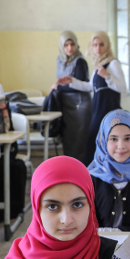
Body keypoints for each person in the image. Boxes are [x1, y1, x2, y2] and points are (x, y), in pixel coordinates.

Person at [59, 31, 127, 165]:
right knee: (94, 145)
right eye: (95, 45)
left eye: (101, 44)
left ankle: (96, 180)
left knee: (99, 146)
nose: (98, 48)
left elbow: (123, 88)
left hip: (110, 114)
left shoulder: (113, 64)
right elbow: (91, 87)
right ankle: (92, 180)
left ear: (107, 45)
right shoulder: (98, 68)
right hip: (97, 113)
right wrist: (71, 81)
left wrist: (107, 76)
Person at [88, 109, 130, 231]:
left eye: (127, 138)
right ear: (103, 140)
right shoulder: (91, 178)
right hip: (99, 246)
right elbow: (87, 222)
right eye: (114, 139)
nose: (121, 146)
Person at [45, 31, 92, 163]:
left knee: (79, 142)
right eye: (66, 45)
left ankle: (81, 176)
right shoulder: (60, 60)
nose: (70, 48)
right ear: (61, 46)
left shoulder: (80, 61)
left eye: (72, 44)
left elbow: (81, 84)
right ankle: (69, 174)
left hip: (79, 107)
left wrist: (57, 87)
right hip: (65, 106)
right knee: (68, 141)